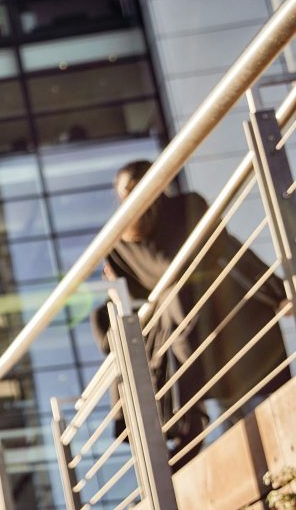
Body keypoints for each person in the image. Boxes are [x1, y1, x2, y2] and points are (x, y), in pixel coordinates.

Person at [94, 159, 288, 454]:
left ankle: (193, 435)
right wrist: (277, 292)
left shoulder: (116, 242)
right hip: (223, 316)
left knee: (240, 412)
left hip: (185, 339)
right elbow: (230, 253)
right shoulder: (184, 206)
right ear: (159, 182)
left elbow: (127, 298)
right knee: (257, 399)